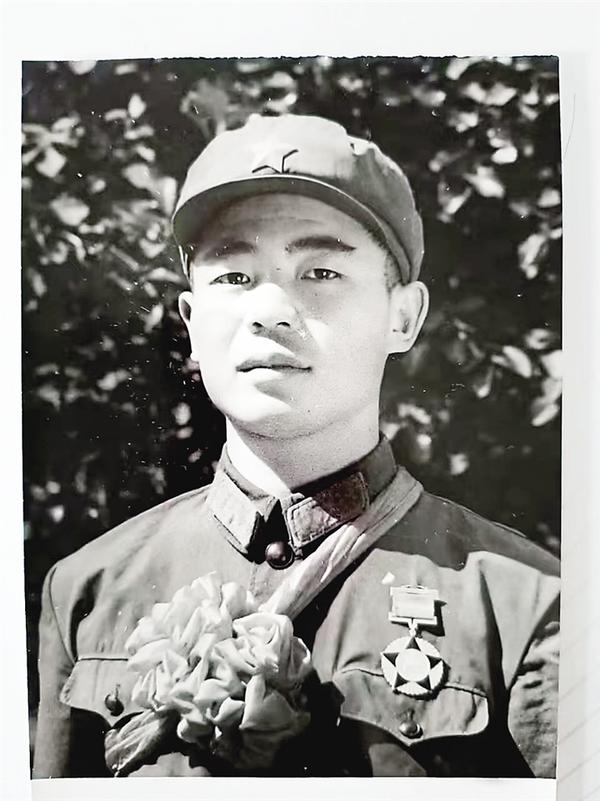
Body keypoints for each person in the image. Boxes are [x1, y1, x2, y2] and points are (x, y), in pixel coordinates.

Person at [33, 113, 559, 779]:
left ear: (403, 317)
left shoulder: (525, 603)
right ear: (190, 322)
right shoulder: (89, 589)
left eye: (321, 272)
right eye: (234, 276)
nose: (270, 310)